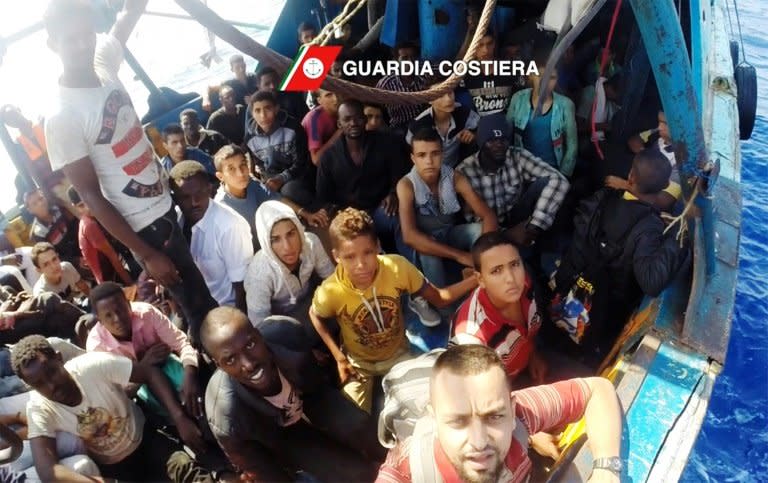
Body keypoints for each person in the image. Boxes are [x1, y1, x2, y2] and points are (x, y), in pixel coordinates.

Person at [43, 0, 218, 344]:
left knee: (193, 295)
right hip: (145, 228)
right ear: (52, 44)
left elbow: (127, 16)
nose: (82, 44)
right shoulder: (62, 116)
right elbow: (91, 196)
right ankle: (221, 371)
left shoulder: (102, 61)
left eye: (86, 34)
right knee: (199, 306)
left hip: (165, 206)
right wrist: (148, 253)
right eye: (69, 39)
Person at [309, 208, 478, 414]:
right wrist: (339, 358)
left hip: (399, 353)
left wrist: (476, 280)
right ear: (336, 257)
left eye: (368, 253)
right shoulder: (331, 291)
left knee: (428, 409)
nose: (361, 264)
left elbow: (440, 298)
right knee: (353, 419)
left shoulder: (397, 268)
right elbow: (314, 315)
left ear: (378, 246)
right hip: (359, 363)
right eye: (350, 257)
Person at [375, 344, 623, 483]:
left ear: (512, 408)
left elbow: (596, 390)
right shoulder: (408, 470)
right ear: (434, 418)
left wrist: (606, 468)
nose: (479, 441)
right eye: (457, 421)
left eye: (493, 417)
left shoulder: (520, 415)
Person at [201, 306, 382, 482]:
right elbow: (263, 470)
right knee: (355, 474)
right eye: (230, 359)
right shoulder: (226, 418)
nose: (248, 364)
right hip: (282, 434)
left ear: (259, 334)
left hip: (310, 398)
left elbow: (317, 382)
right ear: (219, 366)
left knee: (362, 427)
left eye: (250, 344)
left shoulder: (288, 335)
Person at [553, 149, 690, 357]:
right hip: (605, 314)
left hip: (569, 285)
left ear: (630, 177)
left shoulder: (601, 197)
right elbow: (652, 281)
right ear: (664, 187)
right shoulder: (650, 226)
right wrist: (676, 236)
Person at [12, 335, 206, 482]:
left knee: (186, 469)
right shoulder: (39, 408)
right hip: (111, 468)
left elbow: (150, 373)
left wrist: (180, 417)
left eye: (51, 372)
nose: (51, 385)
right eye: (39, 384)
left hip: (145, 438)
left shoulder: (92, 366)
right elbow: (48, 471)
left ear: (59, 358)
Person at [85, 282, 203, 420]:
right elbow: (117, 394)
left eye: (120, 310)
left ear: (129, 305)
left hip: (168, 364)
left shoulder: (147, 313)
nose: (117, 319)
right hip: (139, 389)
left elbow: (181, 343)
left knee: (192, 392)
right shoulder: (97, 348)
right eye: (108, 316)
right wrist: (142, 368)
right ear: (100, 320)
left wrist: (190, 375)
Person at [398, 128, 497, 289]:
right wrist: (460, 256)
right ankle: (440, 304)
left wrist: (480, 257)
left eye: (435, 154)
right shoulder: (406, 185)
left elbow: (488, 216)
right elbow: (410, 236)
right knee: (427, 250)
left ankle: (483, 278)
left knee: (480, 231)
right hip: (426, 243)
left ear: (442, 154)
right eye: (422, 155)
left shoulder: (454, 177)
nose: (429, 161)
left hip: (450, 234)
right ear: (413, 158)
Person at [457, 113, 569, 248]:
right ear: (481, 143)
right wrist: (509, 235)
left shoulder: (516, 155)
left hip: (517, 218)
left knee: (547, 186)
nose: (498, 145)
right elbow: (473, 224)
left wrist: (534, 226)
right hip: (488, 231)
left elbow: (558, 180)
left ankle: (542, 246)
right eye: (491, 141)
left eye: (503, 140)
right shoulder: (465, 172)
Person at [316, 99, 411, 258]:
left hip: (381, 209)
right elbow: (323, 196)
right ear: (339, 124)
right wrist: (344, 215)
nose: (353, 123)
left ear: (364, 120)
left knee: (399, 217)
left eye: (358, 118)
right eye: (347, 119)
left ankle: (411, 269)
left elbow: (400, 173)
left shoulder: (385, 143)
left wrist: (394, 192)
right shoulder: (329, 157)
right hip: (352, 217)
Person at [452, 231, 546, 383]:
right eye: (496, 271)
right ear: (480, 279)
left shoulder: (526, 285)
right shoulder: (470, 340)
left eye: (515, 264)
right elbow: (480, 395)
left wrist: (532, 355)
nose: (511, 279)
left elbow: (529, 331)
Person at [169, 161, 253, 312]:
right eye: (185, 197)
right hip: (191, 303)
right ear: (175, 198)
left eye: (199, 193)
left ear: (209, 189)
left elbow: (242, 286)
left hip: (223, 310)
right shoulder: (177, 218)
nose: (194, 203)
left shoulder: (230, 226)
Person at [244, 200, 333, 340]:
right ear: (266, 242)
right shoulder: (259, 274)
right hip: (284, 325)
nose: (287, 247)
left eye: (291, 234)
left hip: (313, 303)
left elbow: (332, 279)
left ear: (299, 229)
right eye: (276, 239)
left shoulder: (311, 243)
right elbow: (261, 327)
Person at [213, 145, 327, 250]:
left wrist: (307, 215)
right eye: (231, 169)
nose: (240, 173)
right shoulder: (222, 208)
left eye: (243, 165)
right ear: (220, 176)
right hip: (249, 257)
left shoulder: (251, 184)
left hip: (271, 243)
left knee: (313, 240)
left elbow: (276, 198)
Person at [507, 55, 578, 178]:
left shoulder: (565, 105)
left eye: (551, 77)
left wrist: (563, 176)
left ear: (557, 80)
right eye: (539, 75)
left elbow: (572, 146)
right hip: (522, 168)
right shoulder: (518, 99)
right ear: (530, 75)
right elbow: (506, 134)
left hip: (552, 172)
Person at [245, 91, 314, 207]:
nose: (263, 115)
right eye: (257, 111)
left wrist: (281, 178)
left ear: (276, 109)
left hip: (297, 174)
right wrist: (267, 180)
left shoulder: (292, 127)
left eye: (267, 108)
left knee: (289, 191)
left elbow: (302, 163)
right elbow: (261, 165)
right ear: (252, 113)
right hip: (272, 175)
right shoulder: (249, 139)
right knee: (259, 196)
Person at [68, 186, 134, 285]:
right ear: (75, 207)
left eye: (88, 202)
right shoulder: (90, 225)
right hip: (112, 279)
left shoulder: (95, 217)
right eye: (81, 205)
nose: (88, 208)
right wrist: (131, 284)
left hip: (117, 269)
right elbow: (113, 258)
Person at [406, 85, 480, 168]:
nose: (448, 99)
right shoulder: (417, 126)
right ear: (429, 99)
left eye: (450, 92)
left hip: (456, 167)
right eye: (440, 95)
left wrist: (473, 135)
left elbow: (480, 130)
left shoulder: (464, 113)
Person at [460, 31, 525, 117]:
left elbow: (524, 97)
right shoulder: (466, 74)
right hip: (478, 125)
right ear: (473, 46)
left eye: (489, 44)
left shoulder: (511, 69)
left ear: (494, 44)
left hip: (506, 123)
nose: (485, 50)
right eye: (480, 45)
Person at [375, 42, 429, 133]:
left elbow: (445, 68)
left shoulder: (424, 74)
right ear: (396, 60)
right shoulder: (386, 84)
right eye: (404, 58)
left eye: (413, 57)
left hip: (422, 121)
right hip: (399, 126)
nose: (410, 61)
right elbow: (375, 106)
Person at [24, 189, 80, 265]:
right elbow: (51, 256)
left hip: (81, 245)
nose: (40, 203)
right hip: (69, 262)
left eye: (41, 198)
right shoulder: (37, 234)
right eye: (35, 203)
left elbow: (77, 225)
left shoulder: (59, 209)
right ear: (30, 210)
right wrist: (76, 261)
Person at [301, 88, 340, 166]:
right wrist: (340, 132)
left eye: (337, 93)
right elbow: (316, 160)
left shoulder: (342, 110)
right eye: (329, 95)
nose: (335, 99)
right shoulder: (314, 119)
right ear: (319, 100)